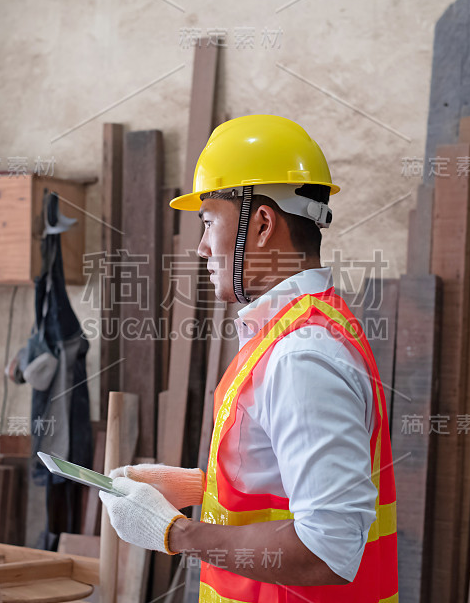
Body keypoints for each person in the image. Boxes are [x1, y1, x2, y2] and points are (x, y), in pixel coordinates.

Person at [99, 114, 398, 602]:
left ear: (261, 224)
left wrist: (176, 533)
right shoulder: (295, 331)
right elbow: (284, 479)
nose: (200, 247)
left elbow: (329, 548)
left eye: (209, 220)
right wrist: (193, 487)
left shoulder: (301, 356)